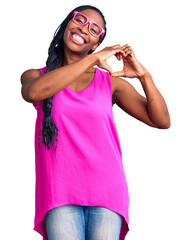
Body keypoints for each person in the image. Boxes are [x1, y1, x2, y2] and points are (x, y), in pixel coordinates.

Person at [20, 4, 170, 240]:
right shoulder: (37, 76)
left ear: (96, 44)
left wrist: (144, 76)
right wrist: (93, 60)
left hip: (107, 192)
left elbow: (161, 120)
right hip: (60, 192)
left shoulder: (110, 83)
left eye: (93, 29)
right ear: (68, 22)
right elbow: (33, 93)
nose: (84, 29)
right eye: (80, 20)